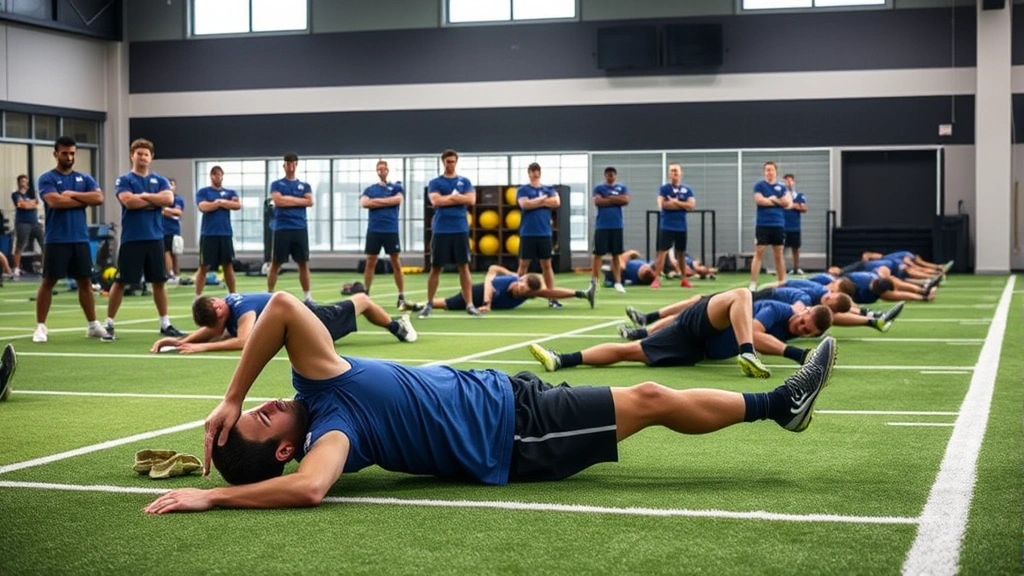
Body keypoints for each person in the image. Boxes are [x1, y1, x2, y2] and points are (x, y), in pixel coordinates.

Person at [142, 291, 836, 513]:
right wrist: (213, 497)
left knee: (643, 387)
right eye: (264, 418)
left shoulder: (314, 382)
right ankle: (782, 404)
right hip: (512, 436)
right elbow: (313, 487)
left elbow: (286, 308)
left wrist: (228, 401)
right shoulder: (334, 425)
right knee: (650, 395)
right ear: (286, 446)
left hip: (507, 395)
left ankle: (780, 403)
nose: (265, 404)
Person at [530, 288, 830, 378]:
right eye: (803, 322)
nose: (799, 328)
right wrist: (799, 355)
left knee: (630, 352)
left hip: (699, 348)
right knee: (741, 294)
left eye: (805, 332)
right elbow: (754, 330)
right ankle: (746, 352)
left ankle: (558, 361)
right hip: (705, 322)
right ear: (803, 312)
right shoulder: (780, 311)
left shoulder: (795, 331)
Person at [102, 138, 186, 341]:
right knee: (121, 282)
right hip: (132, 239)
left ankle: (165, 323)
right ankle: (109, 324)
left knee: (159, 282)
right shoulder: (124, 180)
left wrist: (144, 197)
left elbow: (168, 200)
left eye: (146, 154)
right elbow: (128, 202)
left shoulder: (161, 180)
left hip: (155, 238)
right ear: (132, 155)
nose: (142, 157)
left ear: (151, 157)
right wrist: (153, 201)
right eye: (139, 153)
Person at [151, 292, 416, 354]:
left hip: (314, 320)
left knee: (363, 300)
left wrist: (202, 348)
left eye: (215, 326)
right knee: (361, 302)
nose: (211, 333)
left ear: (220, 310)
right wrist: (178, 341)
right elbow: (209, 330)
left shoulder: (242, 311)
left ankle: (398, 328)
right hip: (304, 320)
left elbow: (244, 341)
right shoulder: (225, 306)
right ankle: (396, 327)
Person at [32, 136, 109, 343]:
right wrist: (83, 200)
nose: (69, 157)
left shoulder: (84, 178)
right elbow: (55, 202)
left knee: (85, 281)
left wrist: (72, 194)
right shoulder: (46, 178)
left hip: (80, 239)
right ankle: (40, 327)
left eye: (72, 153)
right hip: (56, 239)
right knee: (49, 281)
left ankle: (93, 325)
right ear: (56, 153)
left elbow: (99, 198)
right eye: (65, 153)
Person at [420, 149, 477, 318]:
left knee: (464, 266)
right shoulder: (435, 182)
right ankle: (429, 303)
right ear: (443, 162)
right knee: (436, 267)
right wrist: (457, 198)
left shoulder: (465, 181)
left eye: (452, 161)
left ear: (456, 162)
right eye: (447, 161)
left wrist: (449, 199)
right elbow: (436, 201)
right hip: (441, 230)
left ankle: (470, 304)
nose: (450, 164)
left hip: (460, 229)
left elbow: (471, 200)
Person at [404, 264, 595, 314]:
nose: (521, 291)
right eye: (521, 287)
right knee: (447, 304)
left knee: (447, 304)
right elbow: (489, 284)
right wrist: (487, 303)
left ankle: (584, 294)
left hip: (488, 300)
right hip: (477, 294)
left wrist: (580, 293)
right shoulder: (507, 281)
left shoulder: (529, 292)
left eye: (525, 291)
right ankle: (417, 305)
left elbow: (552, 292)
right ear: (519, 280)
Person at [360, 160, 407, 308]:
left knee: (396, 262)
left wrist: (376, 202)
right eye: (379, 169)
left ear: (388, 170)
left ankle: (401, 296)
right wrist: (387, 201)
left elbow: (398, 200)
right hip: (374, 230)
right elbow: (365, 203)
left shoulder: (397, 187)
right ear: (377, 171)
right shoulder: (370, 189)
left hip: (391, 230)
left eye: (384, 169)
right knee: (370, 262)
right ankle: (366, 293)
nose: (382, 171)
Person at [515, 162, 562, 308]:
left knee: (547, 265)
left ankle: (551, 297)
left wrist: (536, 202)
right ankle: (516, 294)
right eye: (533, 171)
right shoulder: (523, 189)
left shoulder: (548, 188)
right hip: (528, 232)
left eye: (538, 170)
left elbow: (556, 202)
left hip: (544, 233)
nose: (535, 173)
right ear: (529, 173)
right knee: (523, 265)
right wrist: (543, 200)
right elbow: (525, 205)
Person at [267, 152, 313, 300]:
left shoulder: (305, 185)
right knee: (275, 263)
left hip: (299, 228)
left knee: (303, 263)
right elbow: (278, 201)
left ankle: (307, 297)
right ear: (284, 165)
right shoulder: (276, 184)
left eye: (293, 163)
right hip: (282, 228)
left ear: (296, 164)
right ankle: (269, 294)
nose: (290, 166)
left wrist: (287, 199)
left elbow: (309, 202)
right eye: (288, 163)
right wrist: (298, 200)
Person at [195, 166, 240, 298]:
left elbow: (237, 205)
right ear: (211, 176)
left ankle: (233, 295)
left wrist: (219, 202)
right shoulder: (203, 192)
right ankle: (197, 297)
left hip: (225, 234)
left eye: (220, 175)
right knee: (204, 266)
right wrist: (219, 203)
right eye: (215, 175)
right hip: (208, 234)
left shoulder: (230, 192)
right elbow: (203, 207)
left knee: (228, 265)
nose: (218, 177)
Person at [749, 161, 792, 290]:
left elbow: (787, 203)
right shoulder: (759, 185)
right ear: (764, 172)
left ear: (775, 171)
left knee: (778, 254)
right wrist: (776, 200)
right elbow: (759, 200)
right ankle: (753, 282)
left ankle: (782, 280)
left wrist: (773, 199)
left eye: (771, 170)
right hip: (763, 224)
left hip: (778, 224)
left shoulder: (782, 186)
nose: (769, 172)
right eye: (767, 170)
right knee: (759, 253)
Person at [651, 164, 695, 289]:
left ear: (681, 173)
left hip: (681, 226)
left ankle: (684, 279)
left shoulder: (687, 190)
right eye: (672, 171)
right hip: (667, 226)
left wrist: (675, 202)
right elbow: (663, 205)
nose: (674, 173)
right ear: (669, 173)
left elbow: (691, 205)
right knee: (662, 253)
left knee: (681, 253)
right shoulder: (664, 189)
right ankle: (656, 279)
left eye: (676, 171)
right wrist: (681, 205)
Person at [591, 167, 630, 293]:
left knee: (616, 255)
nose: (610, 177)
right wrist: (615, 199)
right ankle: (594, 282)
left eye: (612, 175)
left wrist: (608, 198)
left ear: (615, 176)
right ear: (605, 176)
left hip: (617, 226)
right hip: (602, 226)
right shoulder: (599, 188)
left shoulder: (621, 188)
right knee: (598, 255)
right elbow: (598, 201)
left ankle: (617, 282)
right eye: (608, 175)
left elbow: (625, 200)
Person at [11, 174, 44, 278]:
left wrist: (28, 203)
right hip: (22, 223)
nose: (24, 183)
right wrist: (29, 204)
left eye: (25, 181)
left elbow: (37, 204)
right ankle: (16, 268)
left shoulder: (32, 193)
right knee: (20, 245)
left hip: (34, 222)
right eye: (22, 181)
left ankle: (44, 268)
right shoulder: (15, 194)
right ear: (19, 183)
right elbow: (21, 205)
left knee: (44, 243)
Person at [161, 178, 185, 284]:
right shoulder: (161, 198)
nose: (170, 187)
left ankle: (176, 275)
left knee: (174, 253)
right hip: (162, 230)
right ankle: (170, 274)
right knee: (166, 252)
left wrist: (164, 210)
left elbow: (178, 212)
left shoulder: (178, 199)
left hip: (174, 230)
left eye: (172, 185)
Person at [782, 174, 807, 275]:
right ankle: (780, 269)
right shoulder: (781, 195)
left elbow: (804, 208)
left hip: (795, 227)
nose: (789, 183)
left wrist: (793, 205)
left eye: (790, 181)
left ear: (793, 182)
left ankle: (796, 268)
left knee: (795, 248)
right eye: (786, 181)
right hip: (782, 227)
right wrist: (794, 205)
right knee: (780, 249)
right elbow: (780, 205)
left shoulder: (799, 195)